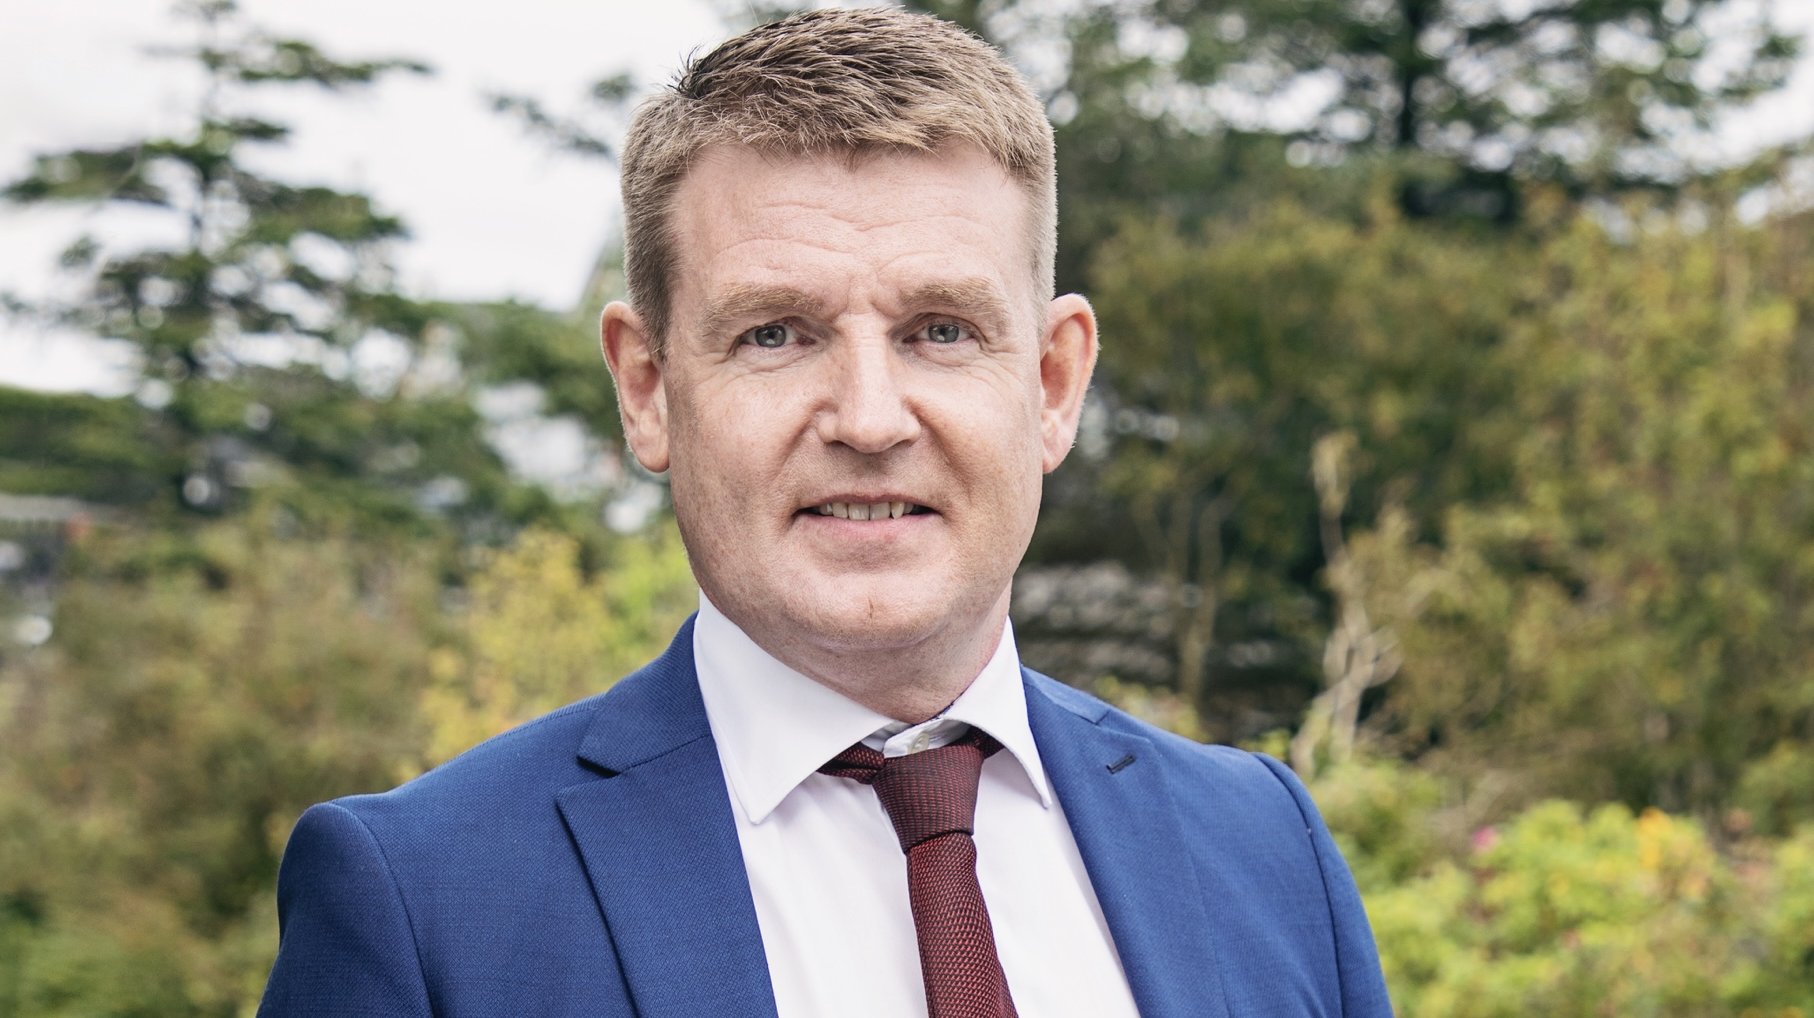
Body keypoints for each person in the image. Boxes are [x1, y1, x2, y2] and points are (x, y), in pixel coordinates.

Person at [257, 8, 1392, 1017]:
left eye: (940, 330)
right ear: (647, 389)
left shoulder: (1265, 850)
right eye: (775, 334)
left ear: (1052, 383)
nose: (868, 418)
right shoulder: (424, 904)